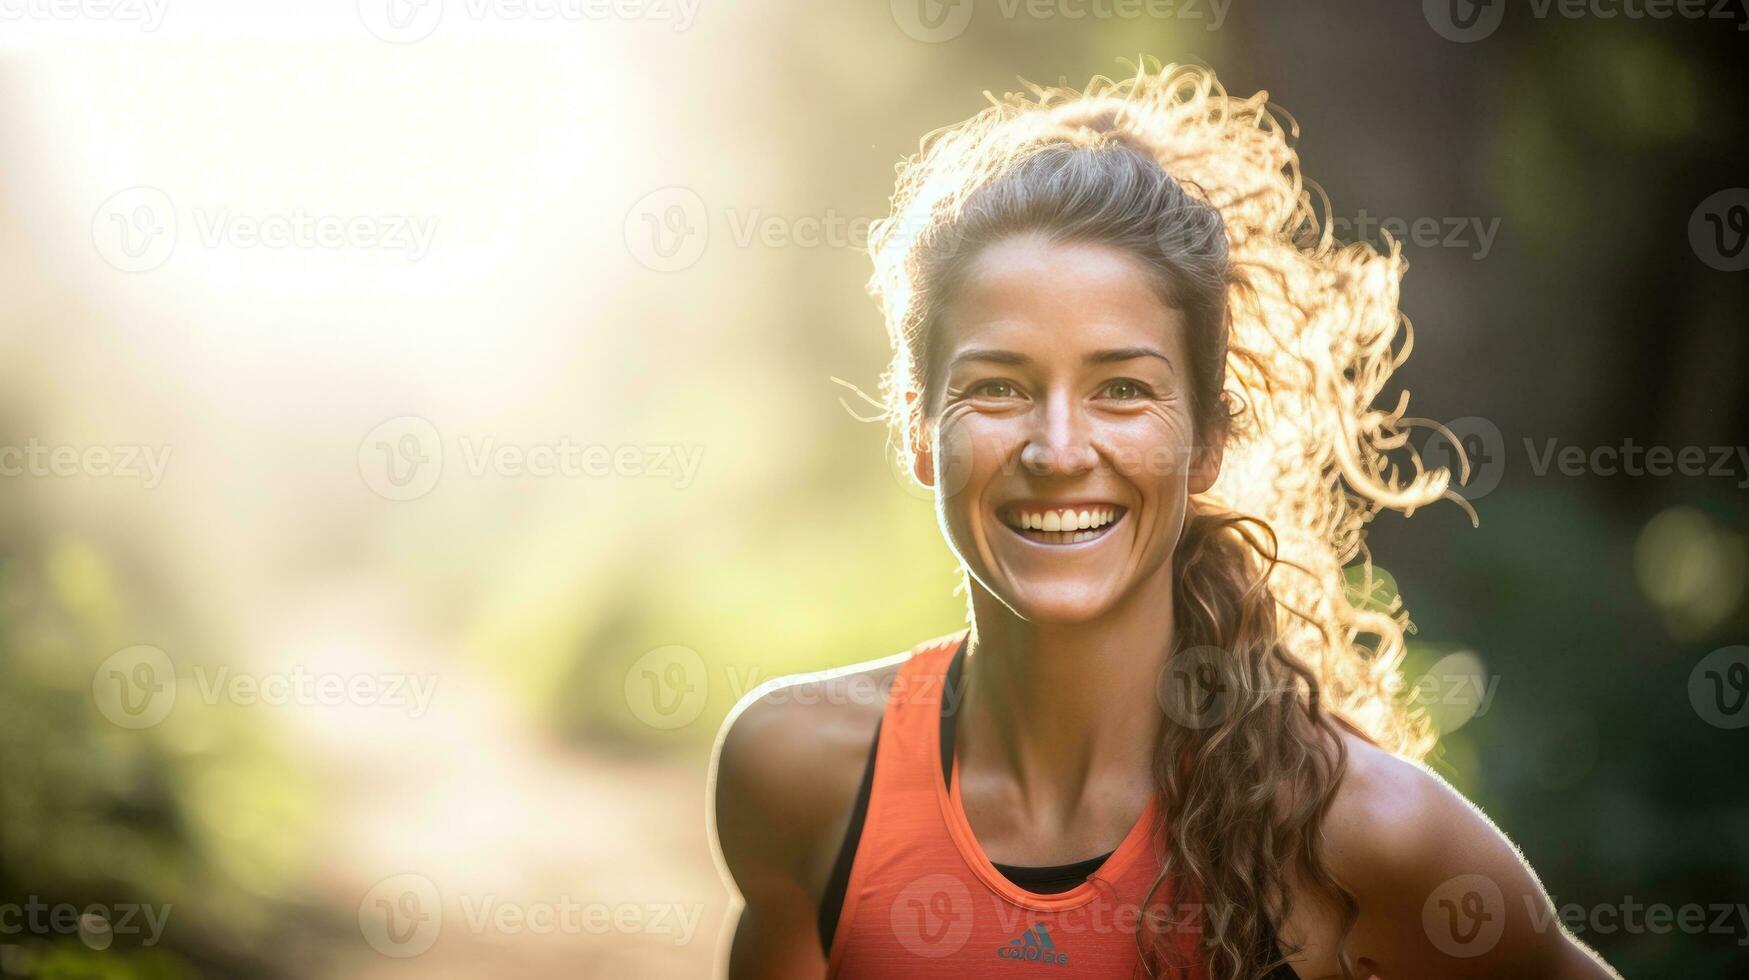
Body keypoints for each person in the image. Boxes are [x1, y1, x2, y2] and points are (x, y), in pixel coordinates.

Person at [709, 62, 1620, 979]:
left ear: (1207, 440)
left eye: (1120, 390)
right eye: (997, 387)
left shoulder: (1368, 840)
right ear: (918, 427)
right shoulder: (799, 772)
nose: (1057, 449)